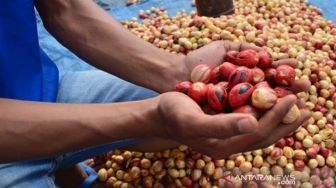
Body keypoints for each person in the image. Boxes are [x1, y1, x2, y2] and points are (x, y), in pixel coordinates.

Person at [0, 0, 311, 187]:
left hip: (36, 91)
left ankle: (66, 166)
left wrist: (172, 69)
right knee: (179, 112)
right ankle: (63, 166)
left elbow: (63, 8)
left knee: (191, 102)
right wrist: (150, 119)